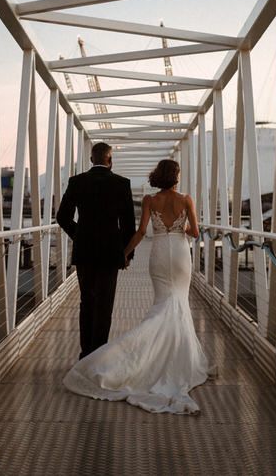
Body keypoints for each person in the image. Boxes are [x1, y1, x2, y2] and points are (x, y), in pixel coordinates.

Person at [62, 158, 216, 414]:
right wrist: (182, 227)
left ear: (158, 175)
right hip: (179, 254)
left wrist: (125, 252)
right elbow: (196, 232)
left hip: (158, 255)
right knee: (178, 303)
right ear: (176, 176)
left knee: (162, 304)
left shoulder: (149, 201)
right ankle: (179, 357)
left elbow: (141, 231)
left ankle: (129, 358)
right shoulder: (186, 199)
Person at [56, 142, 136, 360]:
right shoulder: (122, 184)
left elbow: (62, 217)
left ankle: (86, 352)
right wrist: (126, 254)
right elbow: (129, 225)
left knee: (87, 301)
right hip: (111, 252)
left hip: (85, 251)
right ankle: (99, 355)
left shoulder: (77, 182)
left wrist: (79, 235)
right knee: (104, 303)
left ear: (91, 160)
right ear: (110, 161)